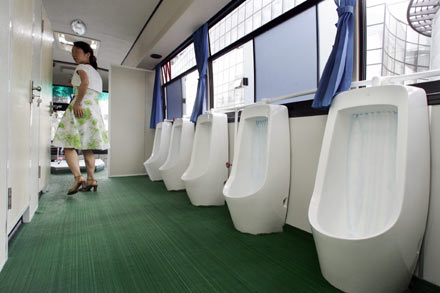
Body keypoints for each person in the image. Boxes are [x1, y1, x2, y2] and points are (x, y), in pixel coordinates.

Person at [53, 41, 109, 195]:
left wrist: (77, 102)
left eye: (76, 52)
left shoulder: (81, 68)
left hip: (80, 108)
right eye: (72, 53)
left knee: (68, 144)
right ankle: (91, 179)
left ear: (87, 54)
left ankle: (78, 177)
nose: (73, 55)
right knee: (86, 146)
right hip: (93, 111)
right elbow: (87, 85)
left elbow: (85, 83)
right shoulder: (96, 73)